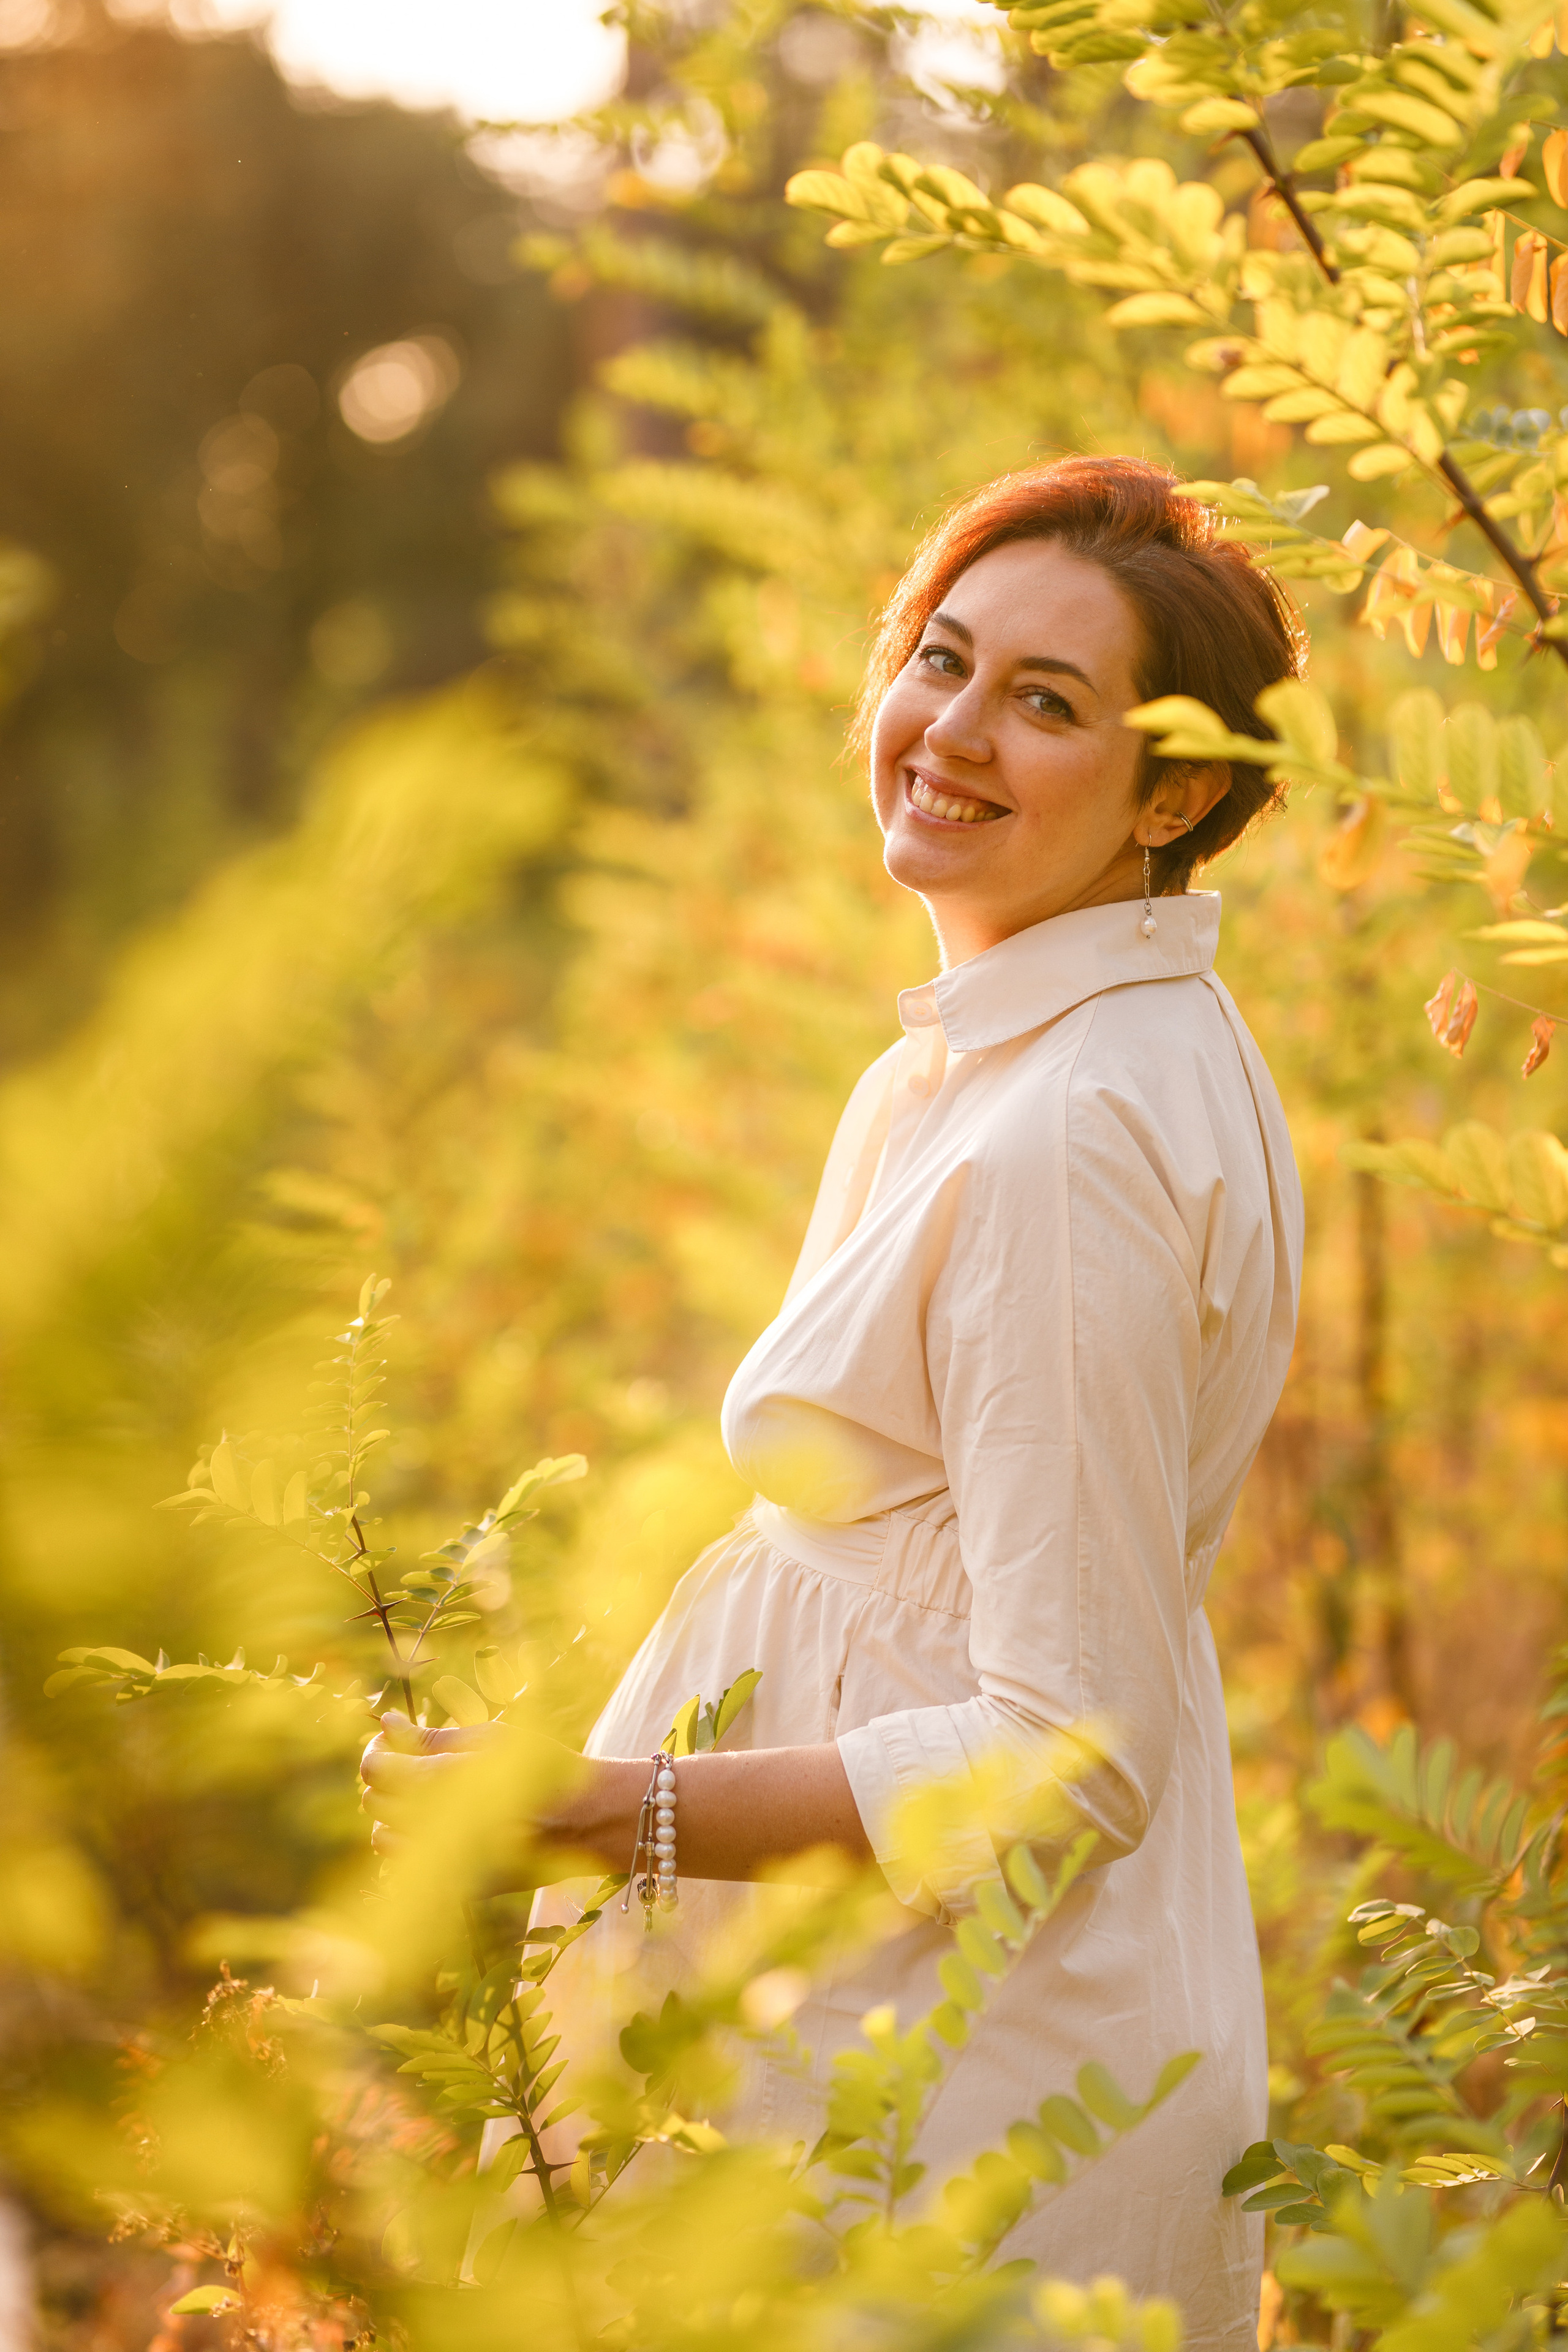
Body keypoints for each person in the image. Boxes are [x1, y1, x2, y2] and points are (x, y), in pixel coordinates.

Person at [361, 454, 1304, 2347]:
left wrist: (610, 1811)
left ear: (1177, 787)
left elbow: (1072, 1754)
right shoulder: (1048, 1049)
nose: (950, 732)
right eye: (941, 663)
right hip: (877, 2018)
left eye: (1047, 705)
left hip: (940, 2083)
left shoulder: (1073, 1134)